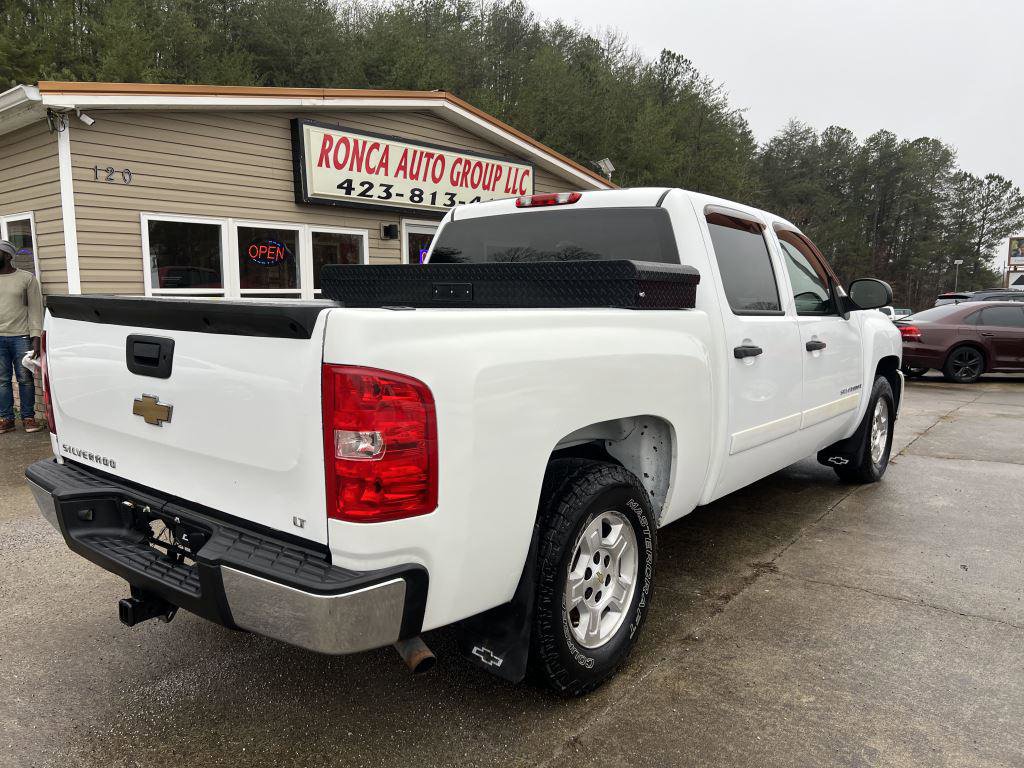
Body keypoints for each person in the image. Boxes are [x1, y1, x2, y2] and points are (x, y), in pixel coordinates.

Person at [0, 239, 44, 433]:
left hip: (21, 337)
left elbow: (35, 309)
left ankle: (28, 418)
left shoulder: (26, 278)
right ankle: (7, 419)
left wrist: (36, 338)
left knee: (24, 379)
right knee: (2, 380)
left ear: (8, 256)